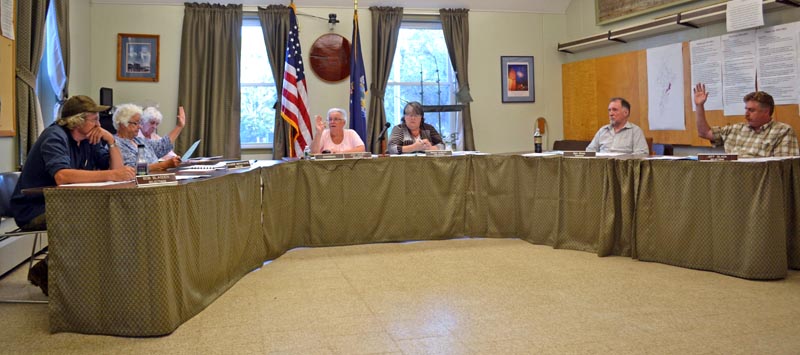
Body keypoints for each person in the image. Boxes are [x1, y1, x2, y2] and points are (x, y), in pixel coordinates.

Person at [10, 95, 136, 295]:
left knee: (107, 216)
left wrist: (111, 141)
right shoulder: (54, 137)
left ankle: (49, 269)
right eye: (94, 119)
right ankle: (49, 270)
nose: (99, 124)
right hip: (33, 208)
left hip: (64, 205)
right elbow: (62, 176)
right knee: (94, 219)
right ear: (77, 121)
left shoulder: (90, 138)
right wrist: (112, 174)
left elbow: (116, 171)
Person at [693, 83, 799, 157]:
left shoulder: (782, 131)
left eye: (751, 110)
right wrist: (699, 106)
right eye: (746, 109)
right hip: (732, 181)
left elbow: (783, 168)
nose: (746, 114)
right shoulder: (736, 129)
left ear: (766, 111)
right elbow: (704, 132)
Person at [113, 103, 186, 171]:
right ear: (122, 124)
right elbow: (133, 169)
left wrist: (179, 126)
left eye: (139, 123)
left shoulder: (139, 140)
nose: (139, 126)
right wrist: (163, 165)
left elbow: (162, 146)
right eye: (135, 123)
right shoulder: (116, 144)